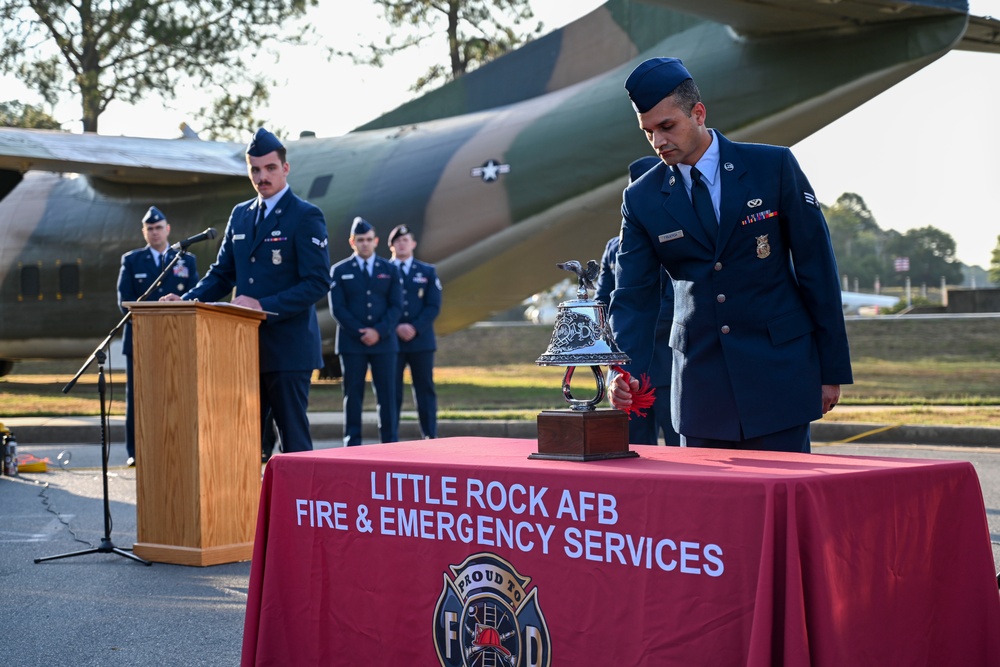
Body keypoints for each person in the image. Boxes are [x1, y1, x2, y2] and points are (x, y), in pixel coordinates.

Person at [608, 57, 853, 453]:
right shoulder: (641, 199)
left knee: (783, 508)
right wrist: (623, 372)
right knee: (709, 513)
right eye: (648, 131)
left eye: (667, 126)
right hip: (701, 387)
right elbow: (633, 297)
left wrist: (831, 370)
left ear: (698, 113)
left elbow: (817, 271)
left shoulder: (772, 167)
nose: (658, 142)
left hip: (779, 376)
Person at [162, 128, 331, 453]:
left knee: (293, 443)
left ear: (285, 168)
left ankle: (297, 505)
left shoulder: (305, 215)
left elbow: (317, 283)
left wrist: (262, 305)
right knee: (242, 444)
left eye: (269, 168)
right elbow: (223, 274)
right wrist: (186, 302)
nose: (262, 176)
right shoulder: (241, 215)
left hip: (288, 350)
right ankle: (249, 505)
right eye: (255, 169)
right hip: (243, 348)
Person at [596, 157, 679, 447]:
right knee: (631, 451)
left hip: (669, 367)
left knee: (685, 453)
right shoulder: (615, 247)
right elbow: (602, 305)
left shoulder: (676, 237)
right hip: (629, 373)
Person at [117, 206, 198, 467]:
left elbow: (195, 295)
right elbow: (124, 301)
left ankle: (177, 448)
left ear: (168, 229)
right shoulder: (132, 260)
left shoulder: (186, 260)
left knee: (177, 394)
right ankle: (136, 452)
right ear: (144, 232)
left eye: (158, 227)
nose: (154, 232)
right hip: (141, 339)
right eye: (150, 229)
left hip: (177, 338)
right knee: (138, 398)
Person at [329, 217, 403, 447]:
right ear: (352, 241)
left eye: (369, 240)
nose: (365, 244)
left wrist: (378, 331)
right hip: (352, 342)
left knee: (387, 395)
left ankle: (390, 443)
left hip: (384, 342)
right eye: (360, 240)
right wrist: (361, 332)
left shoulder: (389, 269)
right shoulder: (340, 270)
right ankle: (352, 442)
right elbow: (338, 308)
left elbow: (397, 306)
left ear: (376, 241)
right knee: (353, 395)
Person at [388, 224, 442, 440]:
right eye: (397, 241)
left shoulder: (427, 271)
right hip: (392, 340)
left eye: (405, 240)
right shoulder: (383, 271)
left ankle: (430, 435)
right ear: (391, 245)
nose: (402, 244)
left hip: (421, 341)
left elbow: (433, 306)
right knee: (392, 392)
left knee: (424, 390)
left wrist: (413, 327)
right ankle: (390, 437)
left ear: (413, 244)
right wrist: (396, 326)